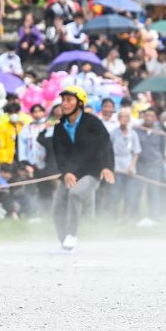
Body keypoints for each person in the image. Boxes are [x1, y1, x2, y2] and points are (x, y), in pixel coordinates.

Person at [50, 86, 115, 251]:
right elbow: (60, 154)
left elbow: (105, 144)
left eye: (69, 100)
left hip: (92, 171)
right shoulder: (59, 127)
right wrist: (66, 172)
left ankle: (72, 234)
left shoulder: (92, 122)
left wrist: (107, 167)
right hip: (70, 172)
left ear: (79, 103)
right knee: (57, 207)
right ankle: (64, 241)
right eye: (63, 100)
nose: (64, 104)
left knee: (75, 194)